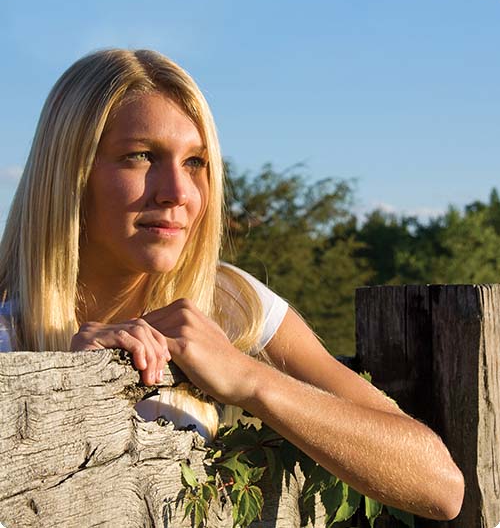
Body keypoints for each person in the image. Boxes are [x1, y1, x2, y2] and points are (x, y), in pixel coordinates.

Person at [0, 48, 464, 520]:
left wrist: (248, 378)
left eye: (196, 162)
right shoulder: (7, 332)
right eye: (140, 156)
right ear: (70, 174)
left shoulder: (226, 301)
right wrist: (68, 386)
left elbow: (440, 487)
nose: (178, 192)